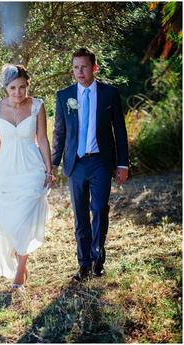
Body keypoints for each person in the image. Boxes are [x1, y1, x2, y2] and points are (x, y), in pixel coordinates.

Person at [52, 48, 129, 281]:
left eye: (84, 67)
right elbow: (59, 132)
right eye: (75, 67)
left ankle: (98, 260)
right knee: (80, 216)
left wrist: (123, 164)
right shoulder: (65, 96)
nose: (79, 72)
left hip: (100, 162)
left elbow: (120, 130)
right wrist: (53, 164)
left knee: (99, 209)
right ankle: (83, 264)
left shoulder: (109, 94)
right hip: (75, 164)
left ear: (94, 68)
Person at [0, 64, 53, 290]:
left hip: (32, 169)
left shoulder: (37, 106)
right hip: (5, 173)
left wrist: (48, 169)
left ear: (28, 86)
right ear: (5, 88)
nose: (18, 93)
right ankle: (20, 260)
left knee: (25, 220)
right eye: (13, 88)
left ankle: (19, 271)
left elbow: (42, 139)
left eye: (22, 87)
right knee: (8, 223)